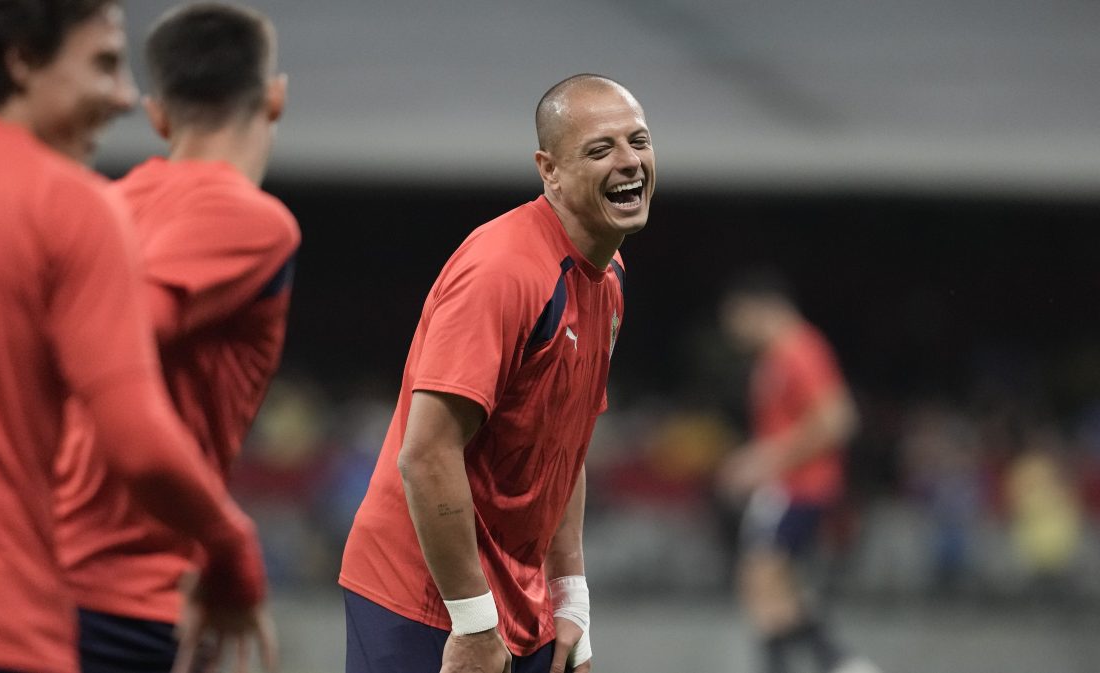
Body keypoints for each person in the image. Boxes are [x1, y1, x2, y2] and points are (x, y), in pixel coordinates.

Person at [0, 2, 269, 672]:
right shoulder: (74, 206)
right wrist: (231, 545)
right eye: (102, 63)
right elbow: (138, 440)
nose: (127, 95)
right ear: (21, 59)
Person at [339, 74, 654, 673]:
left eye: (638, 141)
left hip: (515, 592)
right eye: (600, 149)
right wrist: (474, 622)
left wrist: (572, 600)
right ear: (549, 169)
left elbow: (562, 446)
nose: (629, 162)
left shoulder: (608, 275)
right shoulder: (502, 271)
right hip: (426, 595)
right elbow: (426, 454)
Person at [52, 3, 298, 672]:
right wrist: (228, 545)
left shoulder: (106, 204)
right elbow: (114, 336)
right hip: (119, 591)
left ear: (157, 114)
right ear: (273, 96)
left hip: (43, 570)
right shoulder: (253, 220)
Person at [718, 271, 878, 673]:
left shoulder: (799, 351)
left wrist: (765, 461)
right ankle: (838, 660)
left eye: (736, 318)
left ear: (759, 308)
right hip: (792, 486)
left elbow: (839, 419)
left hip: (797, 487)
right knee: (776, 586)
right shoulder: (778, 356)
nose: (733, 331)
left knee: (759, 580)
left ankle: (828, 661)